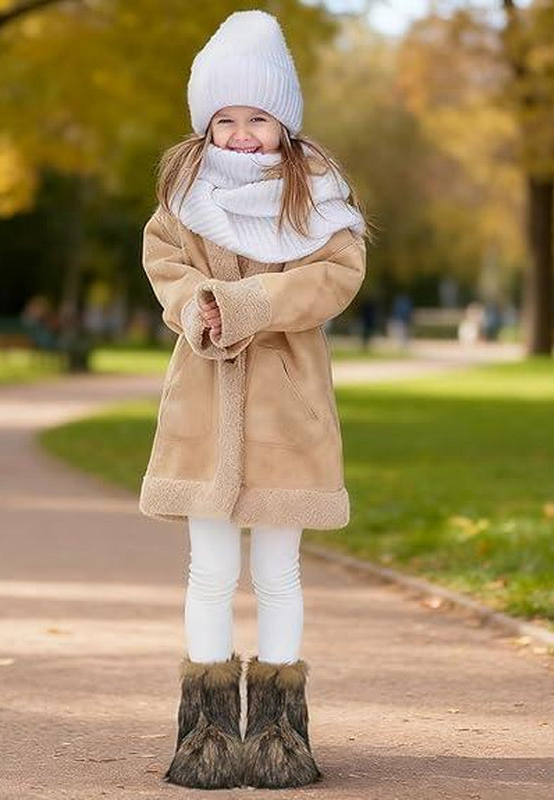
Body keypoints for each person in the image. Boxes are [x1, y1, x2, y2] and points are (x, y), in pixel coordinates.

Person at [137, 10, 370, 791]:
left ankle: (278, 729)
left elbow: (333, 277)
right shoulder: (184, 196)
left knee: (277, 570)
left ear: (285, 124)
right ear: (206, 124)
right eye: (225, 119)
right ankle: (204, 729)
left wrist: (253, 304)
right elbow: (165, 264)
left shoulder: (317, 199)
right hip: (204, 406)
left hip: (286, 411)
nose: (240, 134)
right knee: (208, 569)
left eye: (257, 118)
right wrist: (199, 306)